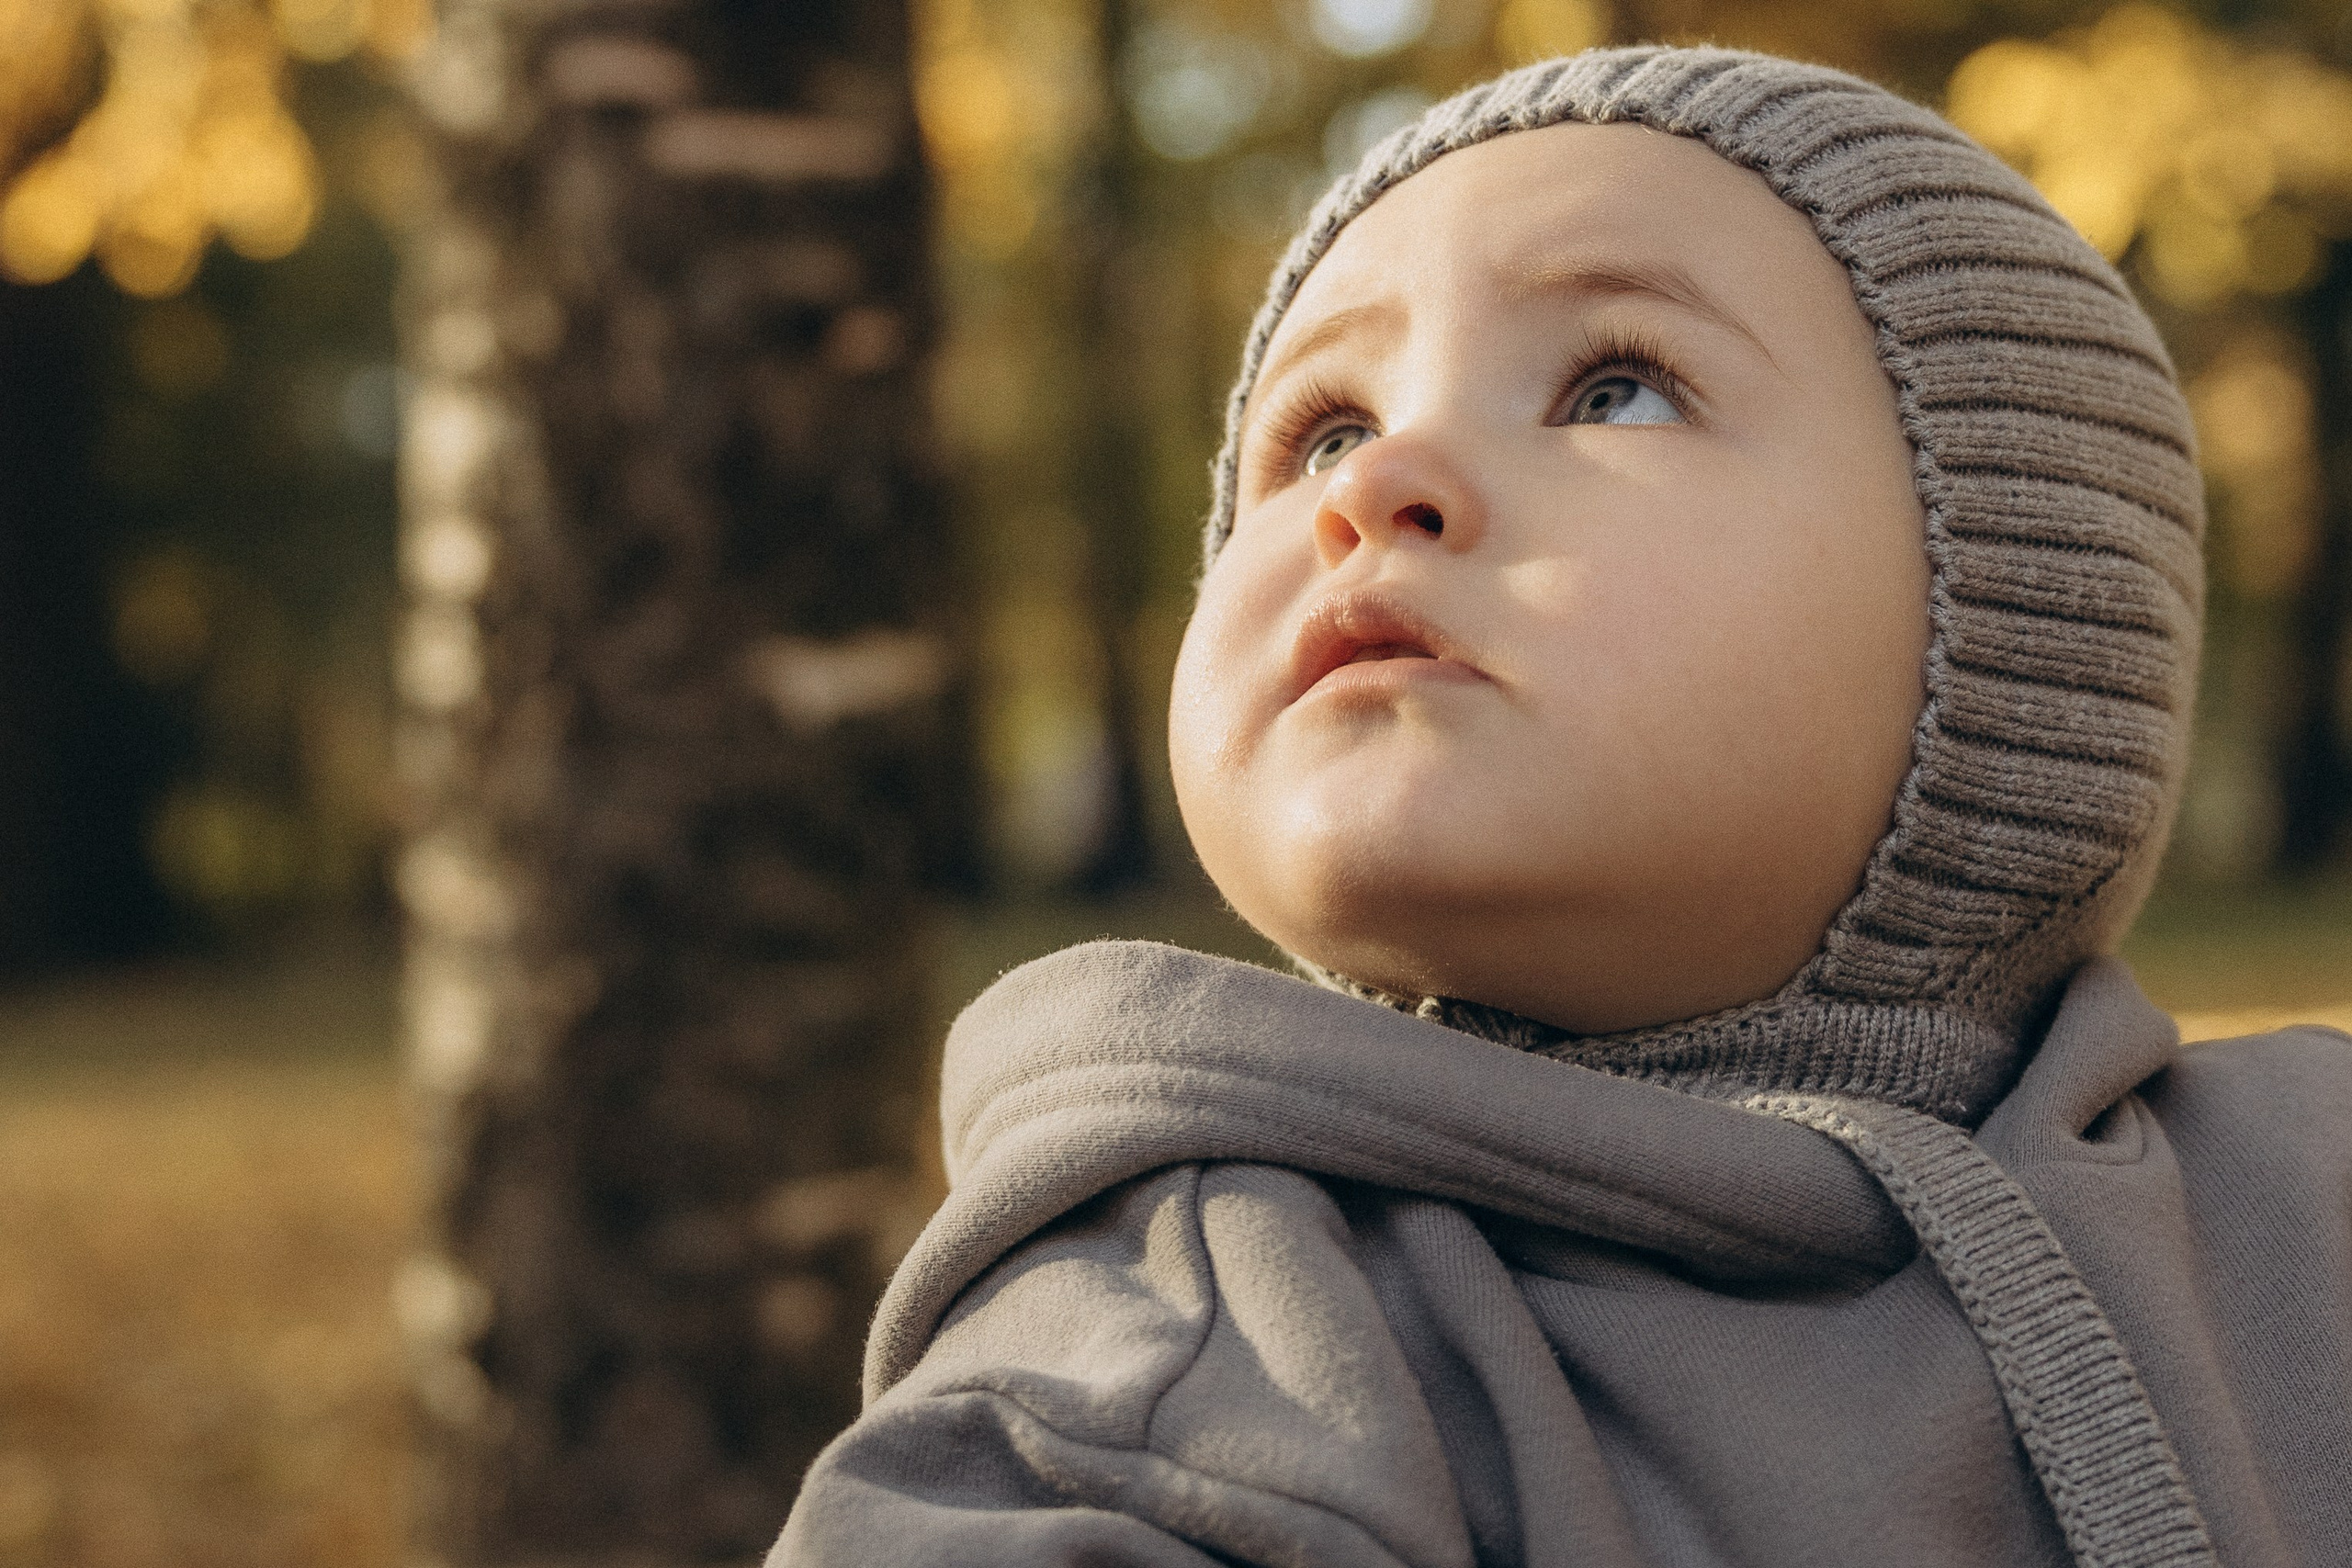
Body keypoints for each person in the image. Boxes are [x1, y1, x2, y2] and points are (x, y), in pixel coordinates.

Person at [771, 46, 2352, 1568]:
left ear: (2015, 609)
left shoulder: (2311, 1183)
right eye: (1325, 427)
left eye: (1617, 391)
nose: (1375, 484)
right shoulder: (1195, 1344)